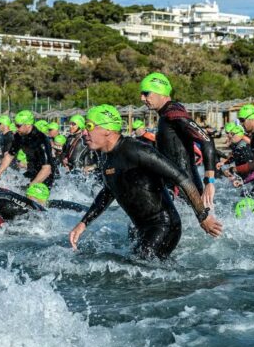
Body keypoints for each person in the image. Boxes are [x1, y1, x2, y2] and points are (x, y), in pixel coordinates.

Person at [68, 104, 222, 259]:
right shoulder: (106, 156)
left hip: (164, 226)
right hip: (140, 228)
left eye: (89, 126)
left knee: (142, 267)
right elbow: (109, 191)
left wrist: (203, 216)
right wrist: (83, 223)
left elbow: (182, 178)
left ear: (108, 129)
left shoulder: (136, 150)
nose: (84, 132)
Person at [139, 72, 218, 208]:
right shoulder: (166, 114)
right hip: (177, 187)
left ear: (160, 92)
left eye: (146, 93)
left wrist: (209, 180)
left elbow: (205, 139)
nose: (142, 98)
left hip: (184, 190)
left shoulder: (172, 112)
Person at [0, 110, 54, 188]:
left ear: (28, 125)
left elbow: (47, 169)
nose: (16, 128)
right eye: (15, 125)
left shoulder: (41, 139)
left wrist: (31, 186)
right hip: (31, 172)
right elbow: (9, 156)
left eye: (18, 125)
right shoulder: (19, 136)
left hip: (45, 176)